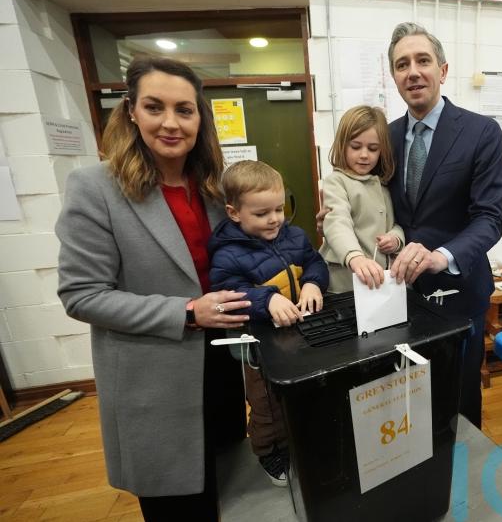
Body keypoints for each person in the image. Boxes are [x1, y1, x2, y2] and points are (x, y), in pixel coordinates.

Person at [56, 56, 248, 521]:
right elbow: (81, 294)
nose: (170, 122)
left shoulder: (210, 187)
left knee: (229, 493)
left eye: (184, 109)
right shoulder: (94, 187)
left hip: (219, 367)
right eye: (154, 107)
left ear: (200, 118)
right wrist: (186, 312)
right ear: (130, 112)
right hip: (156, 380)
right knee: (178, 510)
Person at [386, 22, 502, 428]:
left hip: (459, 295)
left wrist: (442, 256)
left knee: (458, 397)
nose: (413, 71)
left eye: (423, 61)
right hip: (400, 295)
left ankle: (465, 480)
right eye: (402, 64)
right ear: (394, 77)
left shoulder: (480, 132)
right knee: (408, 397)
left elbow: (489, 217)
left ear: (443, 70)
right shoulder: (384, 138)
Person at [208, 159, 329, 485]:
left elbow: (314, 262)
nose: (274, 219)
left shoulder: (295, 236)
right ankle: (269, 451)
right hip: (259, 347)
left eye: (278, 209)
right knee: (266, 404)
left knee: (302, 394)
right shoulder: (226, 253)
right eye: (262, 214)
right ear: (234, 213)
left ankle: (301, 441)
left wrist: (314, 282)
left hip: (298, 335)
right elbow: (226, 293)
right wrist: (268, 299)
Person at [319, 105, 405, 292]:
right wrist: (354, 256)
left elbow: (395, 224)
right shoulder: (336, 182)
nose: (364, 155)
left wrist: (396, 238)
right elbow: (337, 222)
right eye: (356, 147)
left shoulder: (383, 186)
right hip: (343, 283)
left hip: (380, 284)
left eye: (373, 149)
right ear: (342, 145)